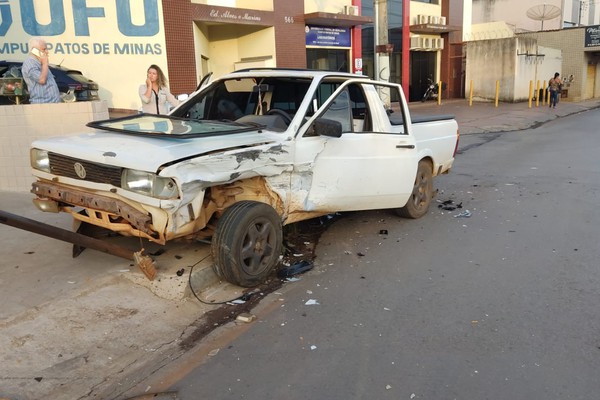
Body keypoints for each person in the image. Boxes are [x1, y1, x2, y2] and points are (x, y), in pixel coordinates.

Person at [21, 37, 60, 104]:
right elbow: (41, 80)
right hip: (42, 104)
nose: (47, 52)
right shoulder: (30, 63)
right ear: (34, 50)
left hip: (52, 104)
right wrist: (45, 64)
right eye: (43, 49)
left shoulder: (40, 63)